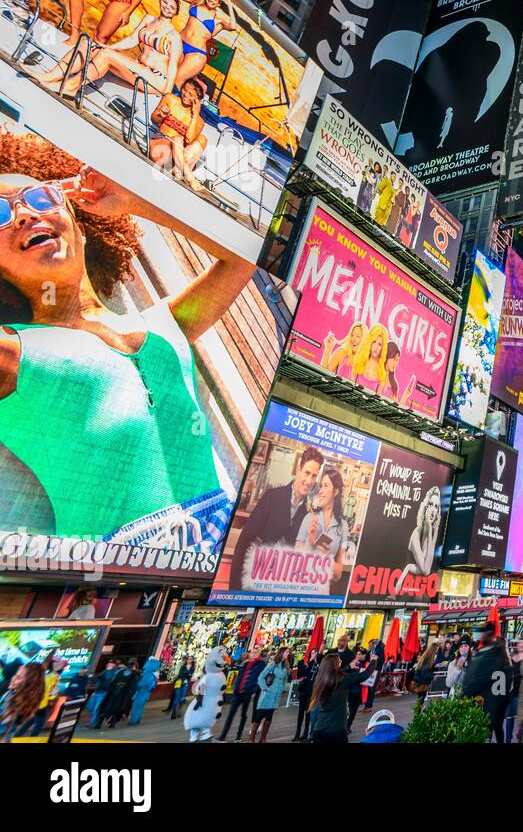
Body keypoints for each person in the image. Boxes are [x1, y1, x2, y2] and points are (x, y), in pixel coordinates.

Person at [0, 136, 257, 542]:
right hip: (122, 582)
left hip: (221, 553)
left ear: (80, 228)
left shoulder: (167, 326)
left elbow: (242, 256)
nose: (24, 215)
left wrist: (138, 200)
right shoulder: (13, 354)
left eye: (42, 197)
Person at [34, 0, 182, 99]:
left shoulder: (174, 36)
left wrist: (167, 95)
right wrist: (108, 47)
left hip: (154, 78)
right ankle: (50, 76)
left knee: (105, 55)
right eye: (165, 2)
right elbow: (131, 40)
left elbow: (173, 66)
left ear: (176, 12)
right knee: (88, 44)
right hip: (138, 67)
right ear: (161, 0)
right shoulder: (149, 19)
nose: (167, 7)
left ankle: (71, 86)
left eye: (172, 7)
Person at [229, 447, 326, 590]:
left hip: (279, 586)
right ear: (299, 468)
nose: (309, 480)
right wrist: (234, 588)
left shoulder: (309, 513)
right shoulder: (272, 497)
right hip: (253, 577)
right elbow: (244, 540)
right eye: (307, 473)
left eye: (314, 476)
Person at [164, 0, 239, 93]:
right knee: (164, 71)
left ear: (219, 4)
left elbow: (233, 27)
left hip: (196, 53)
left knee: (176, 79)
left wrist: (229, 5)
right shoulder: (195, 3)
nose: (211, 0)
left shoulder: (218, 20)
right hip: (179, 43)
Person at [295, 465, 351, 593]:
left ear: (335, 492)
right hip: (300, 589)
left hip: (322, 592)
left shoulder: (343, 526)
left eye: (326, 486)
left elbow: (338, 575)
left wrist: (326, 557)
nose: (320, 490)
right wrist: (309, 542)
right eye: (321, 486)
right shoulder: (309, 518)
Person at [462, 623, 511, 742]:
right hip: (493, 703)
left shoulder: (491, 655)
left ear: (488, 634)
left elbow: (477, 681)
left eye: (481, 632)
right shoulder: (495, 653)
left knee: (486, 733)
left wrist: (465, 694)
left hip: (487, 704)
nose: (478, 635)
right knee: (496, 730)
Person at [308, 653, 368, 743]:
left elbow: (314, 714)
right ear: (334, 665)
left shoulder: (321, 679)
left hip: (319, 731)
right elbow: (365, 675)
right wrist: (374, 660)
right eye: (338, 661)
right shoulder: (342, 680)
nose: (341, 661)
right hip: (336, 732)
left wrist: (348, 667)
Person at [218, 647, 266, 742]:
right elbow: (239, 675)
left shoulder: (260, 663)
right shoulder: (246, 663)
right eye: (252, 652)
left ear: (258, 654)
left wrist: (251, 688)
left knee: (243, 715)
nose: (254, 654)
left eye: (256, 653)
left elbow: (259, 673)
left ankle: (238, 737)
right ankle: (223, 736)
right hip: (238, 692)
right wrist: (235, 688)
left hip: (247, 693)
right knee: (231, 714)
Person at [249, 648, 291, 743]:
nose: (288, 653)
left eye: (288, 652)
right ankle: (251, 738)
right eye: (287, 651)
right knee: (259, 716)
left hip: (276, 695)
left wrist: (282, 689)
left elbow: (286, 679)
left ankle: (263, 738)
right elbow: (261, 677)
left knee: (269, 717)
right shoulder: (273, 663)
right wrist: (264, 688)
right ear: (281, 653)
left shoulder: (286, 665)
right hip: (268, 694)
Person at [0, 663, 45, 741]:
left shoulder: (13, 701)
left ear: (28, 684)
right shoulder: (13, 695)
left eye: (18, 677)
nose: (13, 678)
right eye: (15, 675)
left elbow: (2, 727)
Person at [96, 657, 139, 729]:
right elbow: (133, 687)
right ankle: (112, 723)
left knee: (107, 708)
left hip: (113, 693)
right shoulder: (133, 674)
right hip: (122, 695)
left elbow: (112, 682)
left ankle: (99, 723)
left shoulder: (120, 671)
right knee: (118, 709)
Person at [508, 634, 523, 742]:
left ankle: (521, 739)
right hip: (510, 692)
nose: (521, 647)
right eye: (520, 645)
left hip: (522, 693)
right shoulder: (512, 656)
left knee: (521, 719)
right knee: (509, 718)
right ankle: (507, 739)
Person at [292, 650, 320, 742]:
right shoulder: (306, 664)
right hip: (304, 691)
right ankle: (297, 733)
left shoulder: (319, 665)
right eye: (312, 653)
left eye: (315, 653)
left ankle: (305, 733)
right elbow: (301, 674)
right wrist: (306, 661)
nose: (314, 655)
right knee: (300, 713)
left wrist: (316, 661)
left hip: (312, 693)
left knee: (308, 714)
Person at [128, 657, 160, 725]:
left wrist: (136, 683)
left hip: (141, 693)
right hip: (145, 694)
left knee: (136, 707)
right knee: (140, 707)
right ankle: (136, 720)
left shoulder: (148, 674)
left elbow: (141, 684)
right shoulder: (153, 674)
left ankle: (133, 721)